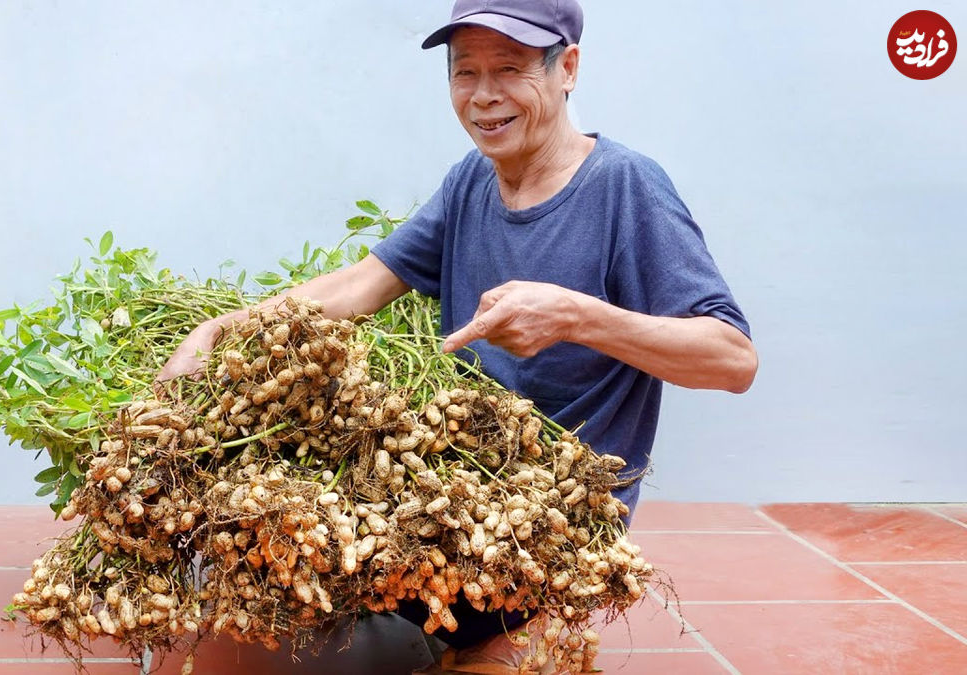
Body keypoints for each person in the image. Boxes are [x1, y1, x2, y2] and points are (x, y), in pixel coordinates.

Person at [156, 0, 757, 671]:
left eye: (509, 69)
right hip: (447, 492)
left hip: (549, 524)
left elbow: (732, 358)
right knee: (250, 600)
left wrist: (578, 316)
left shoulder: (625, 187)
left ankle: (530, 626)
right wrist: (218, 331)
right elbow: (360, 286)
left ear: (569, 70)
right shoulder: (472, 182)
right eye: (465, 72)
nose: (484, 95)